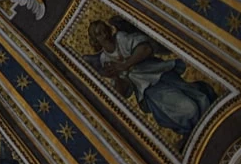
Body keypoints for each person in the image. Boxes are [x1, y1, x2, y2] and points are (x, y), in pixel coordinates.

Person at [86, 18, 218, 139]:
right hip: (147, 90)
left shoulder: (121, 38)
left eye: (104, 30)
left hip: (158, 73)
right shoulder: (105, 59)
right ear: (95, 40)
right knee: (182, 111)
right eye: (99, 34)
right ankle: (195, 131)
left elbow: (146, 48)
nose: (104, 35)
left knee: (193, 98)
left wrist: (124, 65)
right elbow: (123, 92)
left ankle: (207, 117)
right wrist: (116, 77)